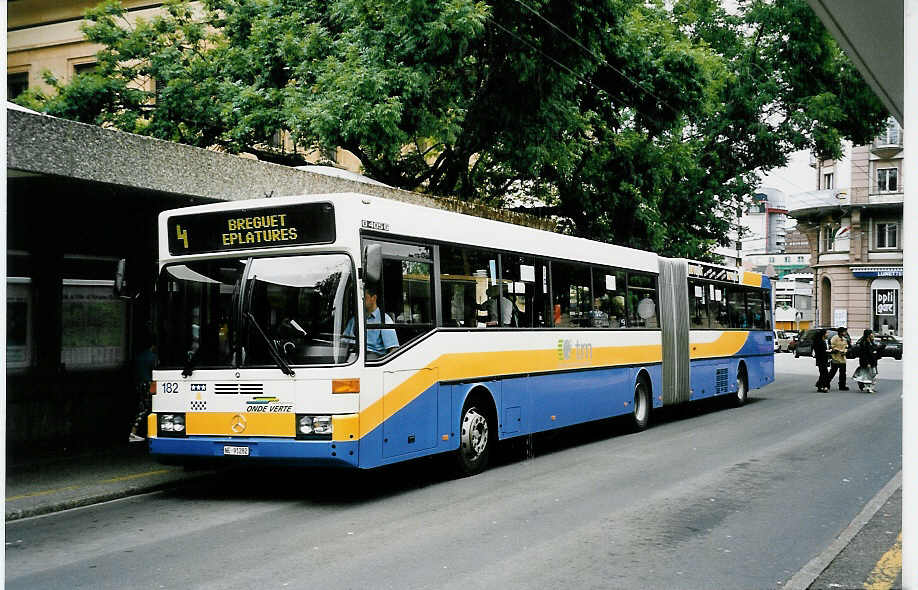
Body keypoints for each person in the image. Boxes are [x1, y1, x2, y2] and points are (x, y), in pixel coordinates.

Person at [344, 284, 398, 358]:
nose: (361, 301)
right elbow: (343, 341)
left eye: (364, 298)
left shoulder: (384, 319)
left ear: (374, 298)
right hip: (352, 354)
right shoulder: (354, 319)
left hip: (373, 356)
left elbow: (393, 349)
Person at [129, 334, 156, 442]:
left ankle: (136, 432)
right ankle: (133, 432)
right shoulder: (153, 357)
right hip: (149, 384)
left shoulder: (139, 356)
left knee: (143, 407)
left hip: (140, 384)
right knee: (147, 409)